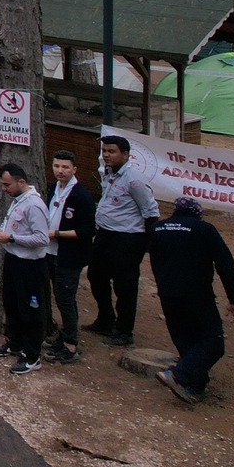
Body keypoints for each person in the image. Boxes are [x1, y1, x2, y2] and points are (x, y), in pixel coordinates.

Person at [148, 196, 234, 402]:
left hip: (167, 294)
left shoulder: (157, 229)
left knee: (186, 341)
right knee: (213, 341)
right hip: (197, 295)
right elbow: (225, 264)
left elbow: (154, 261)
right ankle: (177, 374)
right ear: (197, 213)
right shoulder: (204, 229)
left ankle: (195, 387)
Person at [88, 133, 160, 347]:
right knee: (96, 276)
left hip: (128, 238)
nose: (107, 155)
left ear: (126, 154)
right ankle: (105, 319)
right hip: (105, 234)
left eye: (112, 151)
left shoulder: (134, 179)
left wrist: (145, 243)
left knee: (125, 285)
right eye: (104, 151)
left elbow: (150, 211)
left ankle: (124, 330)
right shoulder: (108, 174)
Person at [0, 162, 52, 373]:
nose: (4, 189)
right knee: (11, 303)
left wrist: (11, 238)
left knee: (30, 309)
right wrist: (1, 233)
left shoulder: (34, 205)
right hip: (14, 259)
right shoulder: (18, 200)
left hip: (30, 266)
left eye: (7, 185)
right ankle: (15, 342)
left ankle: (32, 355)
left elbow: (42, 238)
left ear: (21, 182)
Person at [46, 148, 96, 364]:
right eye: (57, 166)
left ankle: (70, 344)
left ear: (74, 169)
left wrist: (57, 234)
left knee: (66, 299)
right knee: (59, 297)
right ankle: (64, 335)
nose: (60, 171)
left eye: (65, 167)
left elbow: (87, 230)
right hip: (50, 252)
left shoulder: (81, 196)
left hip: (69, 256)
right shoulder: (53, 189)